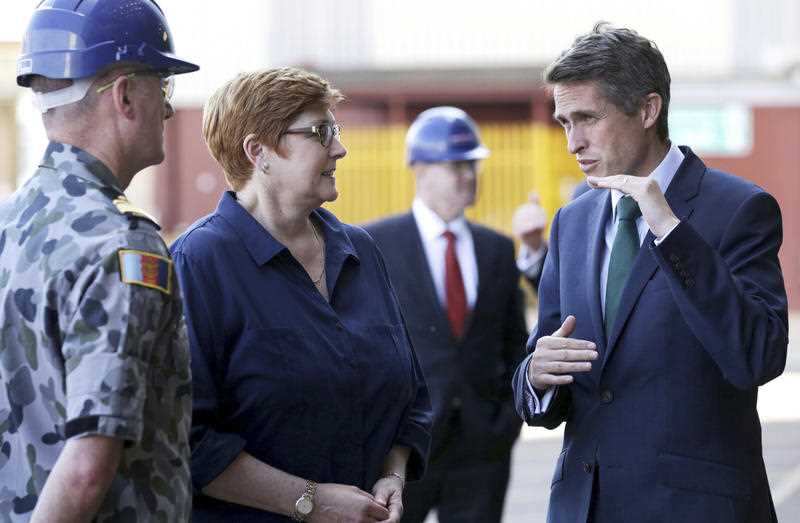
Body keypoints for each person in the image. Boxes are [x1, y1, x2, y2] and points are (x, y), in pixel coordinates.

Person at [512, 23, 788, 523]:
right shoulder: (573, 220)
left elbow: (757, 357)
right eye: (563, 122)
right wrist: (535, 375)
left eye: (587, 118)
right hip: (585, 507)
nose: (572, 142)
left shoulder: (740, 208)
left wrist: (669, 230)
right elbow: (543, 369)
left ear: (647, 109)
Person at [171, 67, 432, 523]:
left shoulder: (360, 251)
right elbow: (186, 439)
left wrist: (391, 476)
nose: (340, 147)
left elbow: (409, 394)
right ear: (260, 152)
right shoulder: (198, 262)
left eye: (336, 129)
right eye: (321, 131)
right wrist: (310, 501)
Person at [0, 1, 199, 521]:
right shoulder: (122, 245)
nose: (170, 109)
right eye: (165, 86)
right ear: (126, 94)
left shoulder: (8, 223)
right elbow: (89, 468)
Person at [365, 107, 527, 523]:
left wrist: (505, 422)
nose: (468, 176)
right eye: (455, 165)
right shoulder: (375, 244)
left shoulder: (496, 249)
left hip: (482, 448)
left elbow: (514, 345)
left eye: (472, 164)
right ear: (418, 168)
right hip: (405, 452)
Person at [512, 192, 549, 293]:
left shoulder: (552, 255)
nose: (530, 237)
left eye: (534, 231)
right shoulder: (516, 260)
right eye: (526, 234)